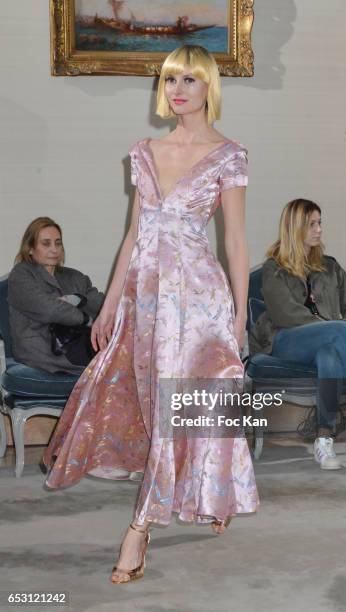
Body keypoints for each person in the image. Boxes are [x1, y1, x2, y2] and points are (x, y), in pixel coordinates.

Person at [42, 45, 259, 584]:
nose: (177, 89)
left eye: (189, 79)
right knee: (147, 399)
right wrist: (111, 301)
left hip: (200, 301)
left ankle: (139, 529)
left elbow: (234, 241)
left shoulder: (230, 155)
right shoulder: (143, 152)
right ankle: (210, 492)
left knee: (188, 401)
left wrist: (237, 315)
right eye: (169, 80)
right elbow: (134, 235)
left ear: (209, 86)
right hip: (146, 299)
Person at [249, 198, 346, 470]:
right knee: (336, 333)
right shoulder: (275, 268)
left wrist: (344, 329)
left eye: (320, 223)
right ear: (295, 227)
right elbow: (286, 314)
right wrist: (332, 327)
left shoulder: (330, 267)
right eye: (312, 224)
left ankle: (323, 440)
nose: (319, 229)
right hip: (287, 340)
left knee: (329, 353)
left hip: (326, 342)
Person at [8, 217, 104, 374]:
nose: (54, 249)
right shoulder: (21, 275)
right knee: (115, 362)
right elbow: (50, 310)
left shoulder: (75, 277)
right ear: (30, 248)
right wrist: (86, 319)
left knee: (126, 352)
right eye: (46, 244)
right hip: (41, 349)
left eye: (58, 243)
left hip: (76, 342)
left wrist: (123, 308)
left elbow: (100, 303)